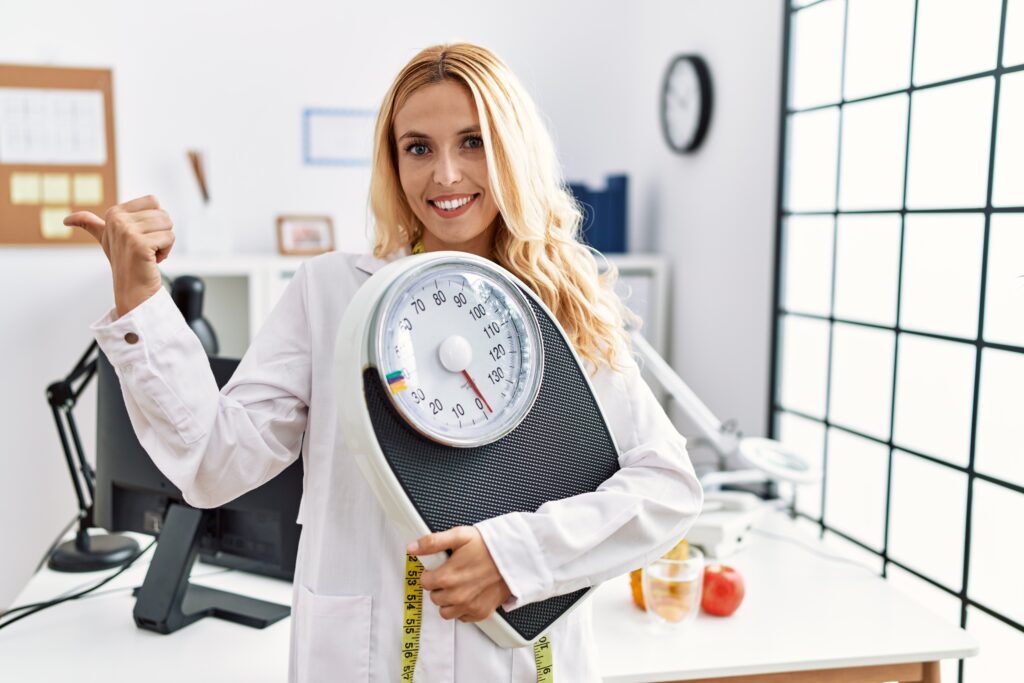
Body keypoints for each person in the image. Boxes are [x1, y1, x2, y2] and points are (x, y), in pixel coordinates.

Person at [66, 43, 703, 682]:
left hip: (518, 660)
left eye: (473, 142)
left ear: (513, 151)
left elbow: (666, 488)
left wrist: (517, 557)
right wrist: (140, 298)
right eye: (418, 147)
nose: (446, 174)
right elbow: (213, 465)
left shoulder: (563, 305)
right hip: (365, 660)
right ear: (393, 164)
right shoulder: (330, 294)